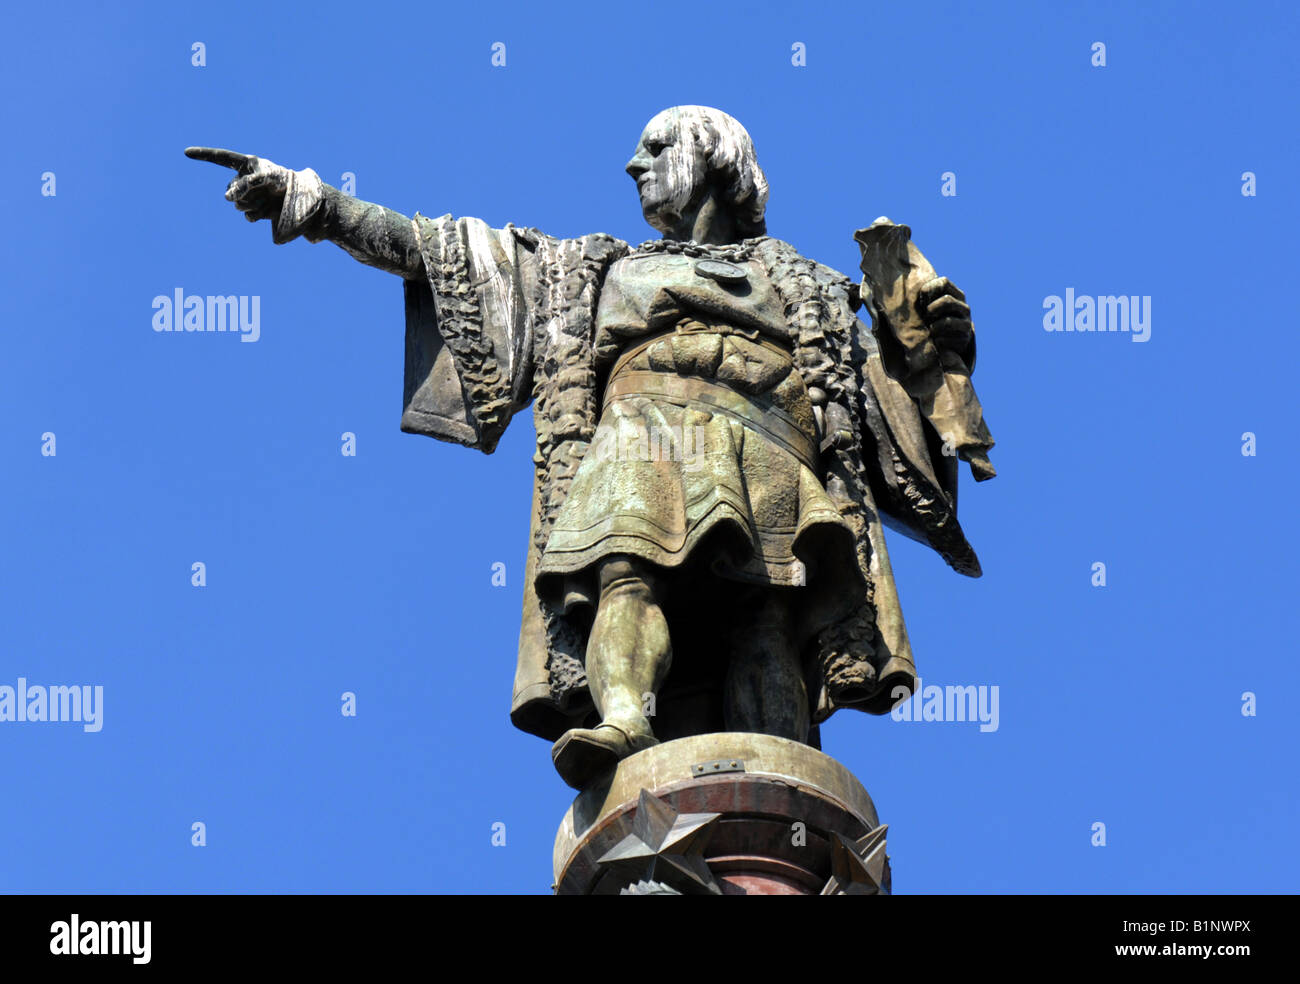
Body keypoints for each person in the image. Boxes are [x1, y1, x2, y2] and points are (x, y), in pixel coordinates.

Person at [187, 106, 993, 789]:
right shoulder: (590, 271)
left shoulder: (809, 286)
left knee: (765, 610)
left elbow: (893, 412)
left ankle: (775, 769)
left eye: (654, 149)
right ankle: (623, 721)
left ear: (711, 157)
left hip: (770, 437)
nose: (632, 164)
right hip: (640, 433)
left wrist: (931, 346)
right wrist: (313, 201)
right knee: (621, 573)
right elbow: (438, 252)